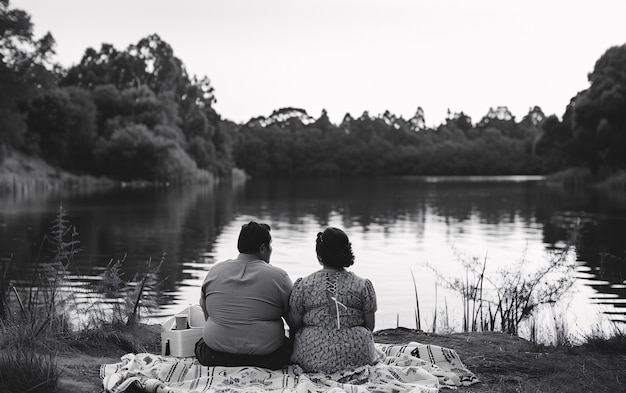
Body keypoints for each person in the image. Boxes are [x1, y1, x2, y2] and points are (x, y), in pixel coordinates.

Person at [195, 221, 293, 369]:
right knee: (287, 347)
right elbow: (292, 319)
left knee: (199, 345)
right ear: (262, 248)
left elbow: (206, 310)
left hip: (214, 356)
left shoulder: (215, 271)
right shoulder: (279, 277)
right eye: (270, 245)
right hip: (267, 359)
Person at [288, 227, 380, 374]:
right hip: (357, 356)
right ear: (347, 253)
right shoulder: (363, 285)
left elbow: (294, 324)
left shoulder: (304, 285)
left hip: (313, 356)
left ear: (319, 256)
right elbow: (370, 326)